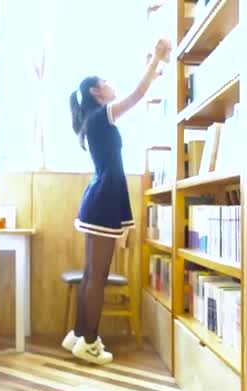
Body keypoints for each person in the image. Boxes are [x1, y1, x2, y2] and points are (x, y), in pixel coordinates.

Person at [62, 38, 172, 365]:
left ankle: (79, 335)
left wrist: (155, 68)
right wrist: (156, 60)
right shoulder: (102, 116)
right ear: (96, 91)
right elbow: (137, 95)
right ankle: (89, 342)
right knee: (96, 275)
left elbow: (140, 90)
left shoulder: (94, 119)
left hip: (99, 198)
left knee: (91, 274)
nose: (111, 85)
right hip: (104, 200)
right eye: (106, 82)